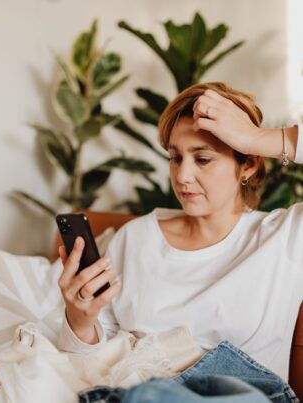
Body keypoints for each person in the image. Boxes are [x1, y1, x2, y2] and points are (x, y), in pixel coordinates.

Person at [57, 82, 302, 402]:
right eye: (175, 157)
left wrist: (257, 138)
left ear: (249, 163)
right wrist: (80, 318)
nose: (183, 176)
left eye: (203, 159)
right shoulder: (135, 238)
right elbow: (93, 358)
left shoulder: (285, 238)